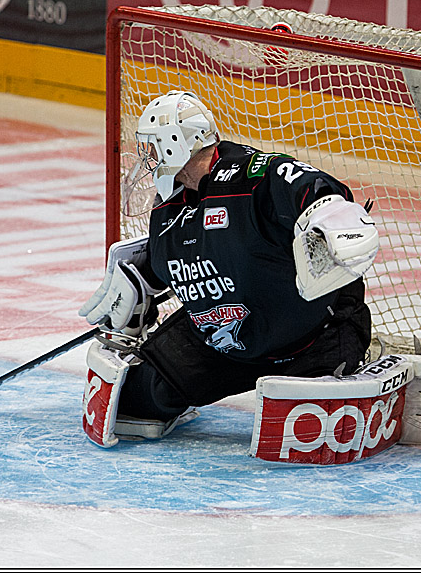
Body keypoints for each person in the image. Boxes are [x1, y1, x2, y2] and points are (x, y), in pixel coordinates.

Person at [78, 90, 380, 447]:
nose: (149, 159)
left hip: (309, 340)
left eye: (153, 148)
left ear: (176, 143)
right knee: (133, 406)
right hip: (222, 343)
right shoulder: (167, 207)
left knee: (307, 435)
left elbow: (311, 188)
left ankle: (350, 365)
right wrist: (139, 280)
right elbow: (173, 261)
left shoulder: (252, 176)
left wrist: (330, 209)